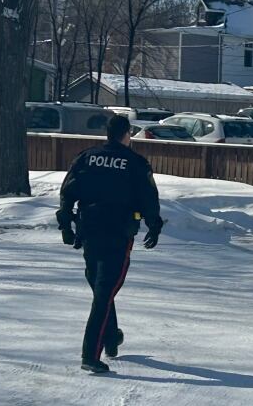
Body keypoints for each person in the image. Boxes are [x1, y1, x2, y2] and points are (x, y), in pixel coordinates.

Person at [56, 115, 163, 373]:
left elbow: (67, 191)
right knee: (104, 291)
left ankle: (111, 336)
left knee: (101, 286)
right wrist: (154, 225)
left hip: (90, 231)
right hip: (117, 233)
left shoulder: (87, 156)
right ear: (126, 134)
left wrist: (66, 224)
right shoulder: (135, 163)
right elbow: (149, 197)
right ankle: (90, 354)